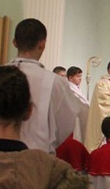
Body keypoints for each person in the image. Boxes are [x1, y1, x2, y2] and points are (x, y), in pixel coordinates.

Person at [6, 18, 80, 153]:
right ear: (42, 44)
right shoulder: (56, 82)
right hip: (37, 158)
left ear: (14, 42)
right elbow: (66, 123)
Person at [66, 65, 89, 141]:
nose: (80, 78)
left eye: (81, 76)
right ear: (70, 78)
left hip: (79, 115)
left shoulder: (76, 87)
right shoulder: (69, 87)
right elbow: (80, 102)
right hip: (73, 116)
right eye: (77, 76)